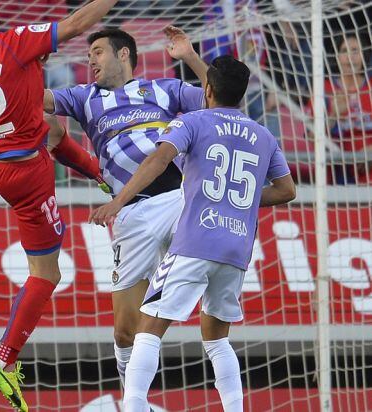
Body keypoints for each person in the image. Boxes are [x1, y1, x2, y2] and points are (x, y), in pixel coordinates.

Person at [0, 0, 119, 410]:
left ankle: (99, 174)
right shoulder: (14, 41)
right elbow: (78, 22)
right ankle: (5, 359)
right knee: (47, 273)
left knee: (48, 124)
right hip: (28, 174)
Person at [89, 55, 296, 412]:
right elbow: (287, 190)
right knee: (217, 340)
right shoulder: (264, 135)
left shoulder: (193, 121)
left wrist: (119, 200)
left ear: (208, 90)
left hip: (195, 242)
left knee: (148, 329)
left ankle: (134, 405)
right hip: (236, 249)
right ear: (243, 94)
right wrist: (238, 200)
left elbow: (157, 160)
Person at [43, 26, 208, 386]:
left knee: (207, 294)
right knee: (124, 333)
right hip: (131, 213)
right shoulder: (84, 97)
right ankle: (132, 394)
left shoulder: (163, 89)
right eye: (89, 56)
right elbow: (39, 100)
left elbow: (220, 99)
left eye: (98, 52)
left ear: (123, 55)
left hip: (179, 197)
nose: (91, 61)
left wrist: (190, 58)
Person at [326, 34, 372, 184]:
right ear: (338, 56)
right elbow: (312, 136)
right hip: (338, 174)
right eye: (345, 50)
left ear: (364, 56)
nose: (350, 57)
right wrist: (333, 115)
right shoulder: (324, 88)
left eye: (355, 51)